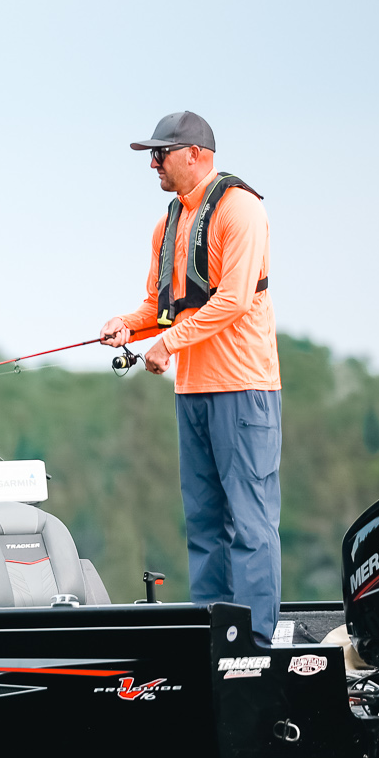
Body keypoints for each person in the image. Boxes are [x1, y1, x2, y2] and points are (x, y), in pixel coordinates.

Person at [98, 111, 281, 647]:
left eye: (161, 153)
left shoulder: (240, 210)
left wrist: (168, 344)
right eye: (150, 154)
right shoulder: (167, 223)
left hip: (244, 389)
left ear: (195, 154)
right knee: (204, 524)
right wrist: (125, 326)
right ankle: (214, 640)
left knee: (250, 524)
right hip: (193, 393)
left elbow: (233, 299)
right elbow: (161, 307)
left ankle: (256, 645)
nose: (153, 162)